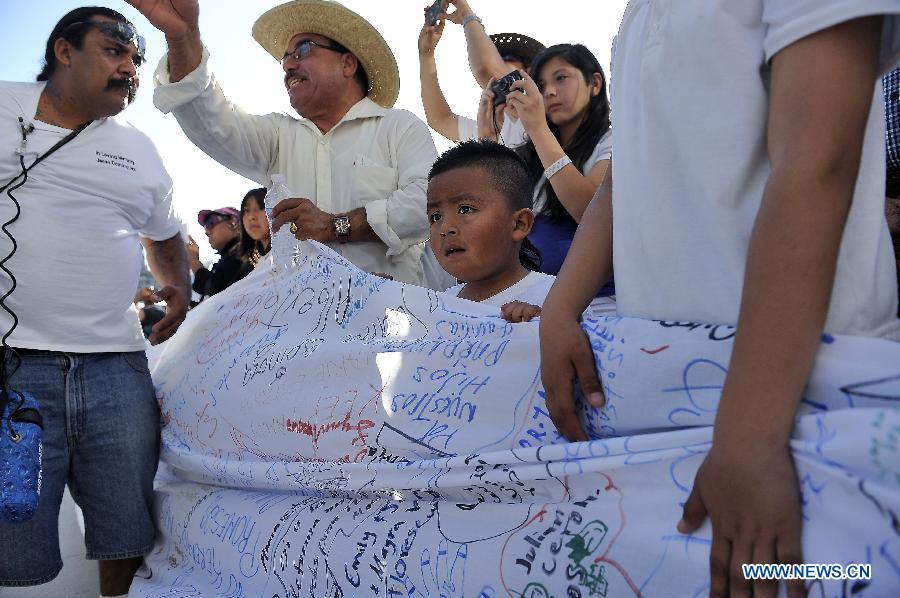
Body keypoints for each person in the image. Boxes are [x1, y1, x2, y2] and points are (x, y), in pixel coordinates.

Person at [538, 3, 900, 595]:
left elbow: (817, 161)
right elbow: (634, 168)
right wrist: (560, 308)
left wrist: (752, 436)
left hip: (798, 400)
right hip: (668, 397)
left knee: (827, 576)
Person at [0, 7, 190, 595]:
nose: (130, 68)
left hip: (116, 370)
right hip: (14, 370)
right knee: (14, 533)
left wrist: (178, 290)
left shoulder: (140, 148)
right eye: (115, 51)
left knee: (125, 531)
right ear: (64, 51)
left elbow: (164, 234)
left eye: (136, 59)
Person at [132, 0, 437, 284]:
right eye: (285, 57)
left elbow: (429, 203)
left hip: (391, 326)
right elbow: (211, 124)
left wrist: (334, 226)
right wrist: (182, 37)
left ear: (347, 64)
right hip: (301, 332)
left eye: (303, 49)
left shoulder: (400, 127)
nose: (288, 65)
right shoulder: (278, 135)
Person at [487, 44, 614, 305]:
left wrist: (537, 127)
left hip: (596, 305)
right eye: (542, 85)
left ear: (595, 84)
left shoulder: (613, 141)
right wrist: (487, 138)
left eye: (561, 78)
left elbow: (590, 211)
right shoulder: (529, 153)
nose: (551, 91)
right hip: (528, 303)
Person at [428, 140, 549, 323]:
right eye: (435, 217)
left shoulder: (558, 300)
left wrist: (546, 326)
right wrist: (378, 299)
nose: (445, 228)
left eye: (466, 209)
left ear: (519, 224)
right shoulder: (435, 306)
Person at [418, 4, 544, 144]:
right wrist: (426, 55)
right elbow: (440, 119)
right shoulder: (486, 129)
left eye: (508, 75)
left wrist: (465, 12)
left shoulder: (541, 117)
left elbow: (485, 70)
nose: (497, 83)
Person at [188, 206, 251, 306]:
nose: (207, 232)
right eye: (205, 228)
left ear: (233, 222)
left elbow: (216, 287)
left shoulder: (243, 251)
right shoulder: (230, 255)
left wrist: (193, 260)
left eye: (211, 223)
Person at [238, 187, 271, 266]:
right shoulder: (250, 265)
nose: (251, 217)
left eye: (262, 207)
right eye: (246, 210)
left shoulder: (294, 254)